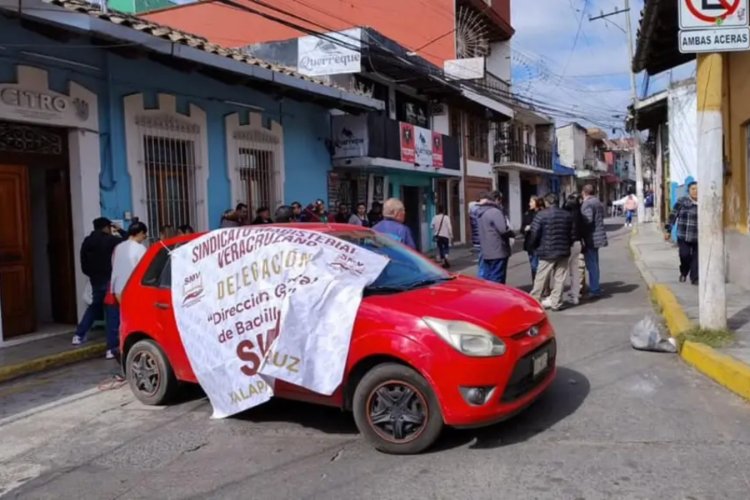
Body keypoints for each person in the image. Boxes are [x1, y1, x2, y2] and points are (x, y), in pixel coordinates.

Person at [72, 217, 126, 347]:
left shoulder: (87, 241)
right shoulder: (109, 239)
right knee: (112, 310)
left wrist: (91, 275)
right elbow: (129, 240)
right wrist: (120, 230)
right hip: (108, 279)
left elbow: (83, 263)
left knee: (94, 307)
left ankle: (79, 335)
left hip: (95, 280)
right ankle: (112, 344)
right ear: (106, 227)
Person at [108, 221, 148, 360]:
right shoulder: (140, 248)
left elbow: (114, 266)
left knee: (124, 319)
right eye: (144, 234)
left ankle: (119, 348)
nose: (145, 237)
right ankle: (131, 350)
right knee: (137, 321)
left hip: (118, 288)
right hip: (133, 289)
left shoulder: (118, 247)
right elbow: (145, 270)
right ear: (139, 233)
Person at [528, 193, 575, 311]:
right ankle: (556, 303)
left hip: (546, 251)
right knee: (560, 278)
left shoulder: (541, 215)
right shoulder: (567, 215)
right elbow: (573, 234)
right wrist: (568, 244)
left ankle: (534, 301)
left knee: (541, 277)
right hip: (563, 250)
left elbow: (534, 233)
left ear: (546, 202)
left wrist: (533, 246)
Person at [476, 191, 513, 284]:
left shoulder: (480, 212)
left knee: (487, 277)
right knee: (497, 277)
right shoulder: (495, 212)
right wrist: (512, 233)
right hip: (498, 250)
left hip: (486, 250)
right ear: (496, 200)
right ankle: (497, 297)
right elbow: (503, 230)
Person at [665, 182, 699, 285]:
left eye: (697, 189)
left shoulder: (704, 203)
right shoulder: (682, 202)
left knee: (696, 258)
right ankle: (684, 272)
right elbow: (673, 216)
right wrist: (668, 230)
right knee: (684, 255)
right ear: (688, 190)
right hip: (683, 235)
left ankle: (695, 278)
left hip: (698, 236)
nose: (695, 191)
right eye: (693, 189)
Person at [581, 184, 608, 298]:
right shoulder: (597, 202)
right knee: (595, 263)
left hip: (591, 237)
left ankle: (594, 289)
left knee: (591, 264)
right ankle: (595, 286)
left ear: (584, 192)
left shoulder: (587, 204)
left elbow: (588, 220)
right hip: (598, 236)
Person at [564, 193, 585, 305]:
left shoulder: (566, 215)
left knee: (561, 271)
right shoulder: (580, 214)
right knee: (575, 271)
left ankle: (556, 297)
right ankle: (575, 295)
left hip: (568, 244)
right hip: (578, 243)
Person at [522, 195, 544, 282]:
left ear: (537, 202)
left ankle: (543, 286)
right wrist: (525, 229)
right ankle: (535, 284)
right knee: (533, 266)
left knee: (539, 266)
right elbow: (522, 228)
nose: (529, 204)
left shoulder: (542, 213)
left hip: (540, 243)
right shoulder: (527, 213)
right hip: (530, 244)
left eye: (531, 202)